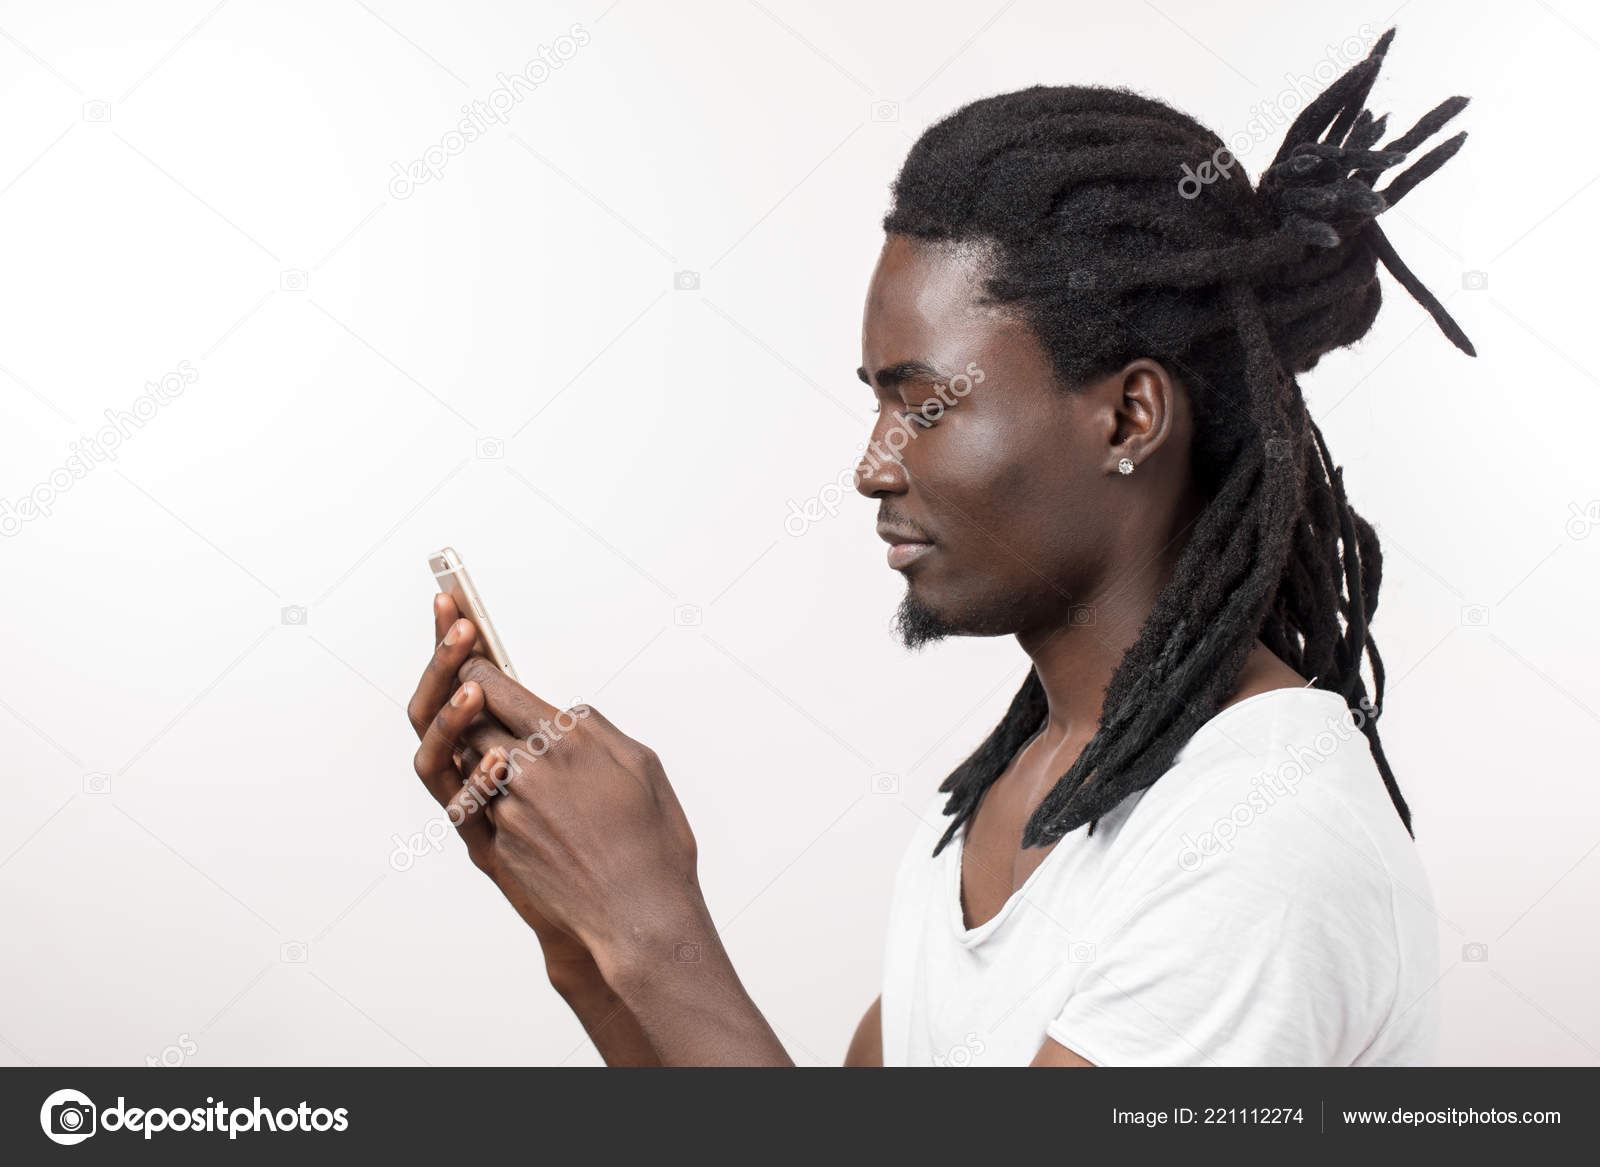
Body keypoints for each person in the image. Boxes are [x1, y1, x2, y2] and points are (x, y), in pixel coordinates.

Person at [405, 27, 1472, 1066]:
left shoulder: (1255, 836)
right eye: (877, 405)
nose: (873, 464)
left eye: (925, 406)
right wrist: (585, 938)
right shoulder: (993, 798)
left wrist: (655, 934)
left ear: (1128, 419)